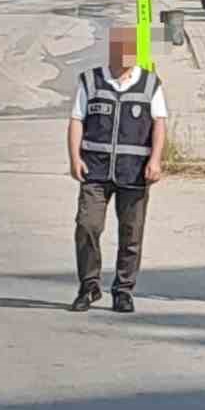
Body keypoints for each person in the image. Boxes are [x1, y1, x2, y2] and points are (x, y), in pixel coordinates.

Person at [67, 24, 167, 313]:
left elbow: (159, 123)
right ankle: (89, 286)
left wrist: (156, 159)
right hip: (95, 170)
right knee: (87, 225)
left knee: (131, 233)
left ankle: (123, 290)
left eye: (130, 49)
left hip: (134, 172)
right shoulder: (91, 80)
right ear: (111, 50)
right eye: (120, 49)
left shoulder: (150, 83)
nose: (126, 55)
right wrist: (74, 158)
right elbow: (76, 120)